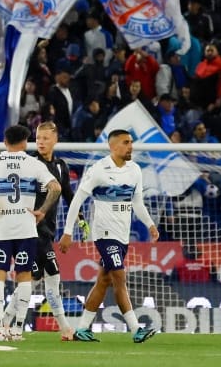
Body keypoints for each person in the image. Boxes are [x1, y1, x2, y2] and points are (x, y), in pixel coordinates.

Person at [0, 124, 61, 342]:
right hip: (26, 230)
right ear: (25, 143)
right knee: (24, 278)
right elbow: (56, 187)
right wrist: (42, 211)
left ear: (5, 143)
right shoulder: (33, 163)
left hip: (1, 230)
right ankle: (17, 329)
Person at [58, 129, 159, 344]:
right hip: (104, 234)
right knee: (119, 278)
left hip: (122, 236)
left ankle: (82, 329)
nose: (131, 146)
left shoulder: (135, 170)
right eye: (126, 142)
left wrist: (150, 224)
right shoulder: (99, 170)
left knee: (103, 280)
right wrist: (68, 232)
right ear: (113, 146)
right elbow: (77, 200)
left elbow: (137, 202)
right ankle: (136, 330)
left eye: (131, 142)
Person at [1, 120, 76, 339]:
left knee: (34, 278)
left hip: (49, 230)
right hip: (33, 230)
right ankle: (65, 329)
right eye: (38, 138)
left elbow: (69, 195)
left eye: (45, 138)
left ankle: (4, 321)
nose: (40, 142)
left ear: (55, 139)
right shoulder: (31, 165)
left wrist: (79, 218)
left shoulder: (61, 165)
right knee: (52, 273)